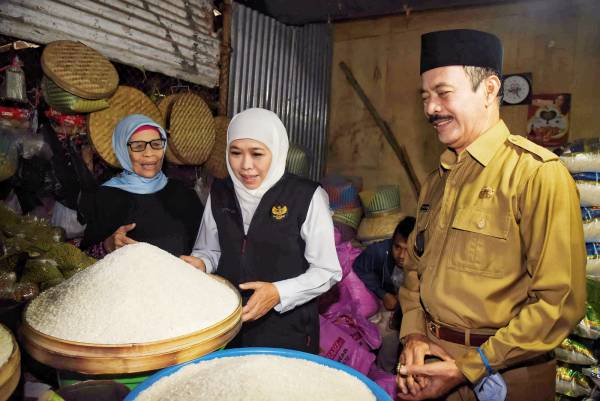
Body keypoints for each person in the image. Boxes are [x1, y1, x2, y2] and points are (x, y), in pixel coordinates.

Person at [395, 29, 586, 401]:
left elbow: (559, 301)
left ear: (489, 89)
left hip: (506, 377)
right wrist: (414, 334)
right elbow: (414, 271)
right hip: (430, 361)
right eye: (425, 96)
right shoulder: (436, 181)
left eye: (443, 93)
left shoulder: (535, 174)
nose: (430, 108)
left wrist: (473, 365)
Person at [181, 107, 342, 353]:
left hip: (287, 330)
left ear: (277, 152)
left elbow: (327, 271)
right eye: (235, 153)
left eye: (257, 154)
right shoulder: (220, 193)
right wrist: (202, 263)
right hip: (230, 324)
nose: (246, 166)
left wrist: (279, 293)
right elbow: (210, 249)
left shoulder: (306, 196)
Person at [78, 114, 203, 257]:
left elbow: (207, 248)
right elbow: (85, 255)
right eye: (138, 146)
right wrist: (107, 246)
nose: (149, 154)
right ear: (123, 151)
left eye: (156, 144)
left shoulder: (184, 193)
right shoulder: (106, 196)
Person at [354, 216, 415, 373]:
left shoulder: (427, 262)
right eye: (397, 247)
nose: (401, 255)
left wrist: (401, 313)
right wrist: (383, 293)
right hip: (390, 303)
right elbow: (359, 267)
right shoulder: (380, 251)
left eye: (408, 250)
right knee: (387, 335)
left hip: (414, 311)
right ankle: (385, 375)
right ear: (391, 242)